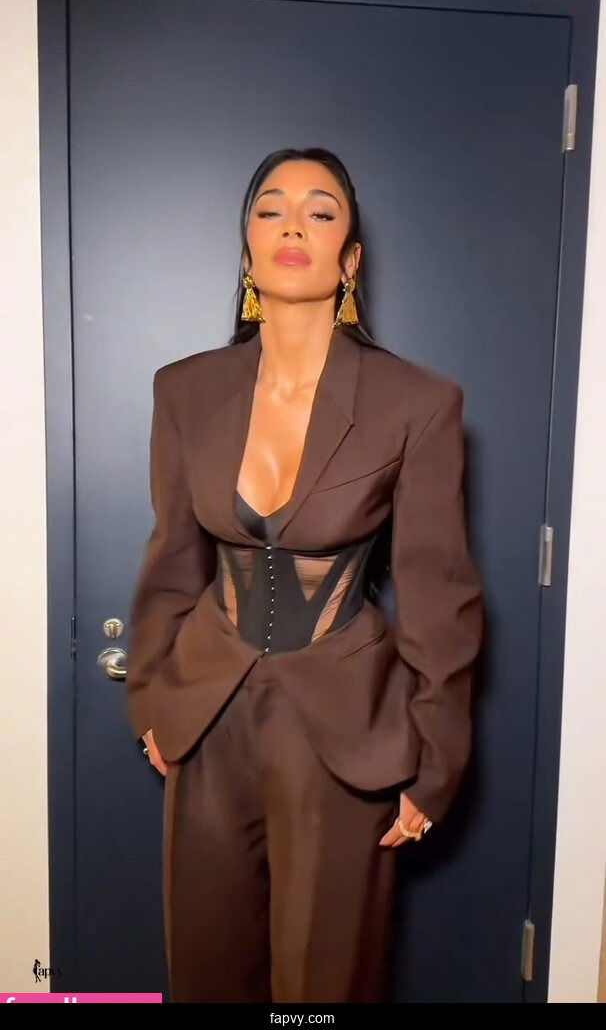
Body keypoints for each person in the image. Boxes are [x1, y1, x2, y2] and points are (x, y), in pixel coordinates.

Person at [126, 146, 484, 1003]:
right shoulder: (184, 391)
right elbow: (172, 560)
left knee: (322, 986)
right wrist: (151, 698)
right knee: (207, 969)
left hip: (347, 730)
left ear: (349, 258)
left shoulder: (418, 402)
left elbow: (439, 594)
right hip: (205, 718)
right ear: (248, 251)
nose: (293, 224)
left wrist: (435, 763)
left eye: (320, 212)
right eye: (271, 209)